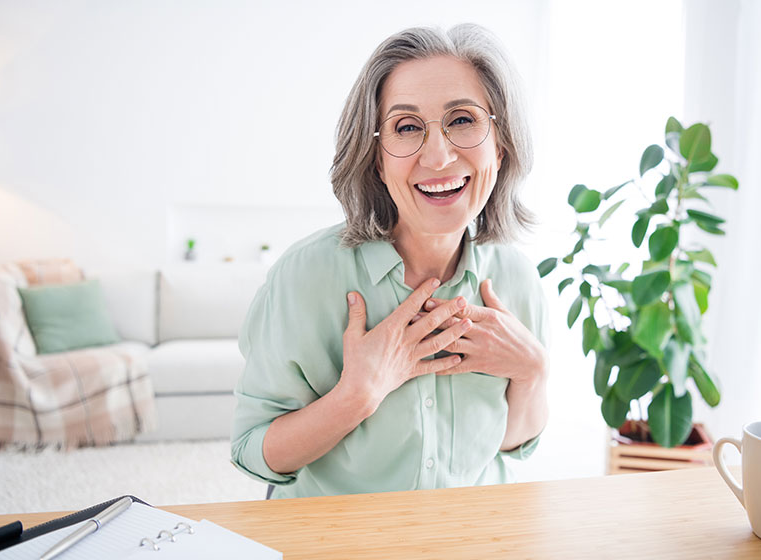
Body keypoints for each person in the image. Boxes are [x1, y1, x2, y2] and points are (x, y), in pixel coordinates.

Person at [231, 24, 549, 499]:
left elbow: (509, 446)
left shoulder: (517, 279)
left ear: (499, 147)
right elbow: (253, 451)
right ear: (378, 160)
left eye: (462, 120)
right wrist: (356, 394)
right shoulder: (307, 276)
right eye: (406, 127)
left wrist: (532, 371)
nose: (439, 156)